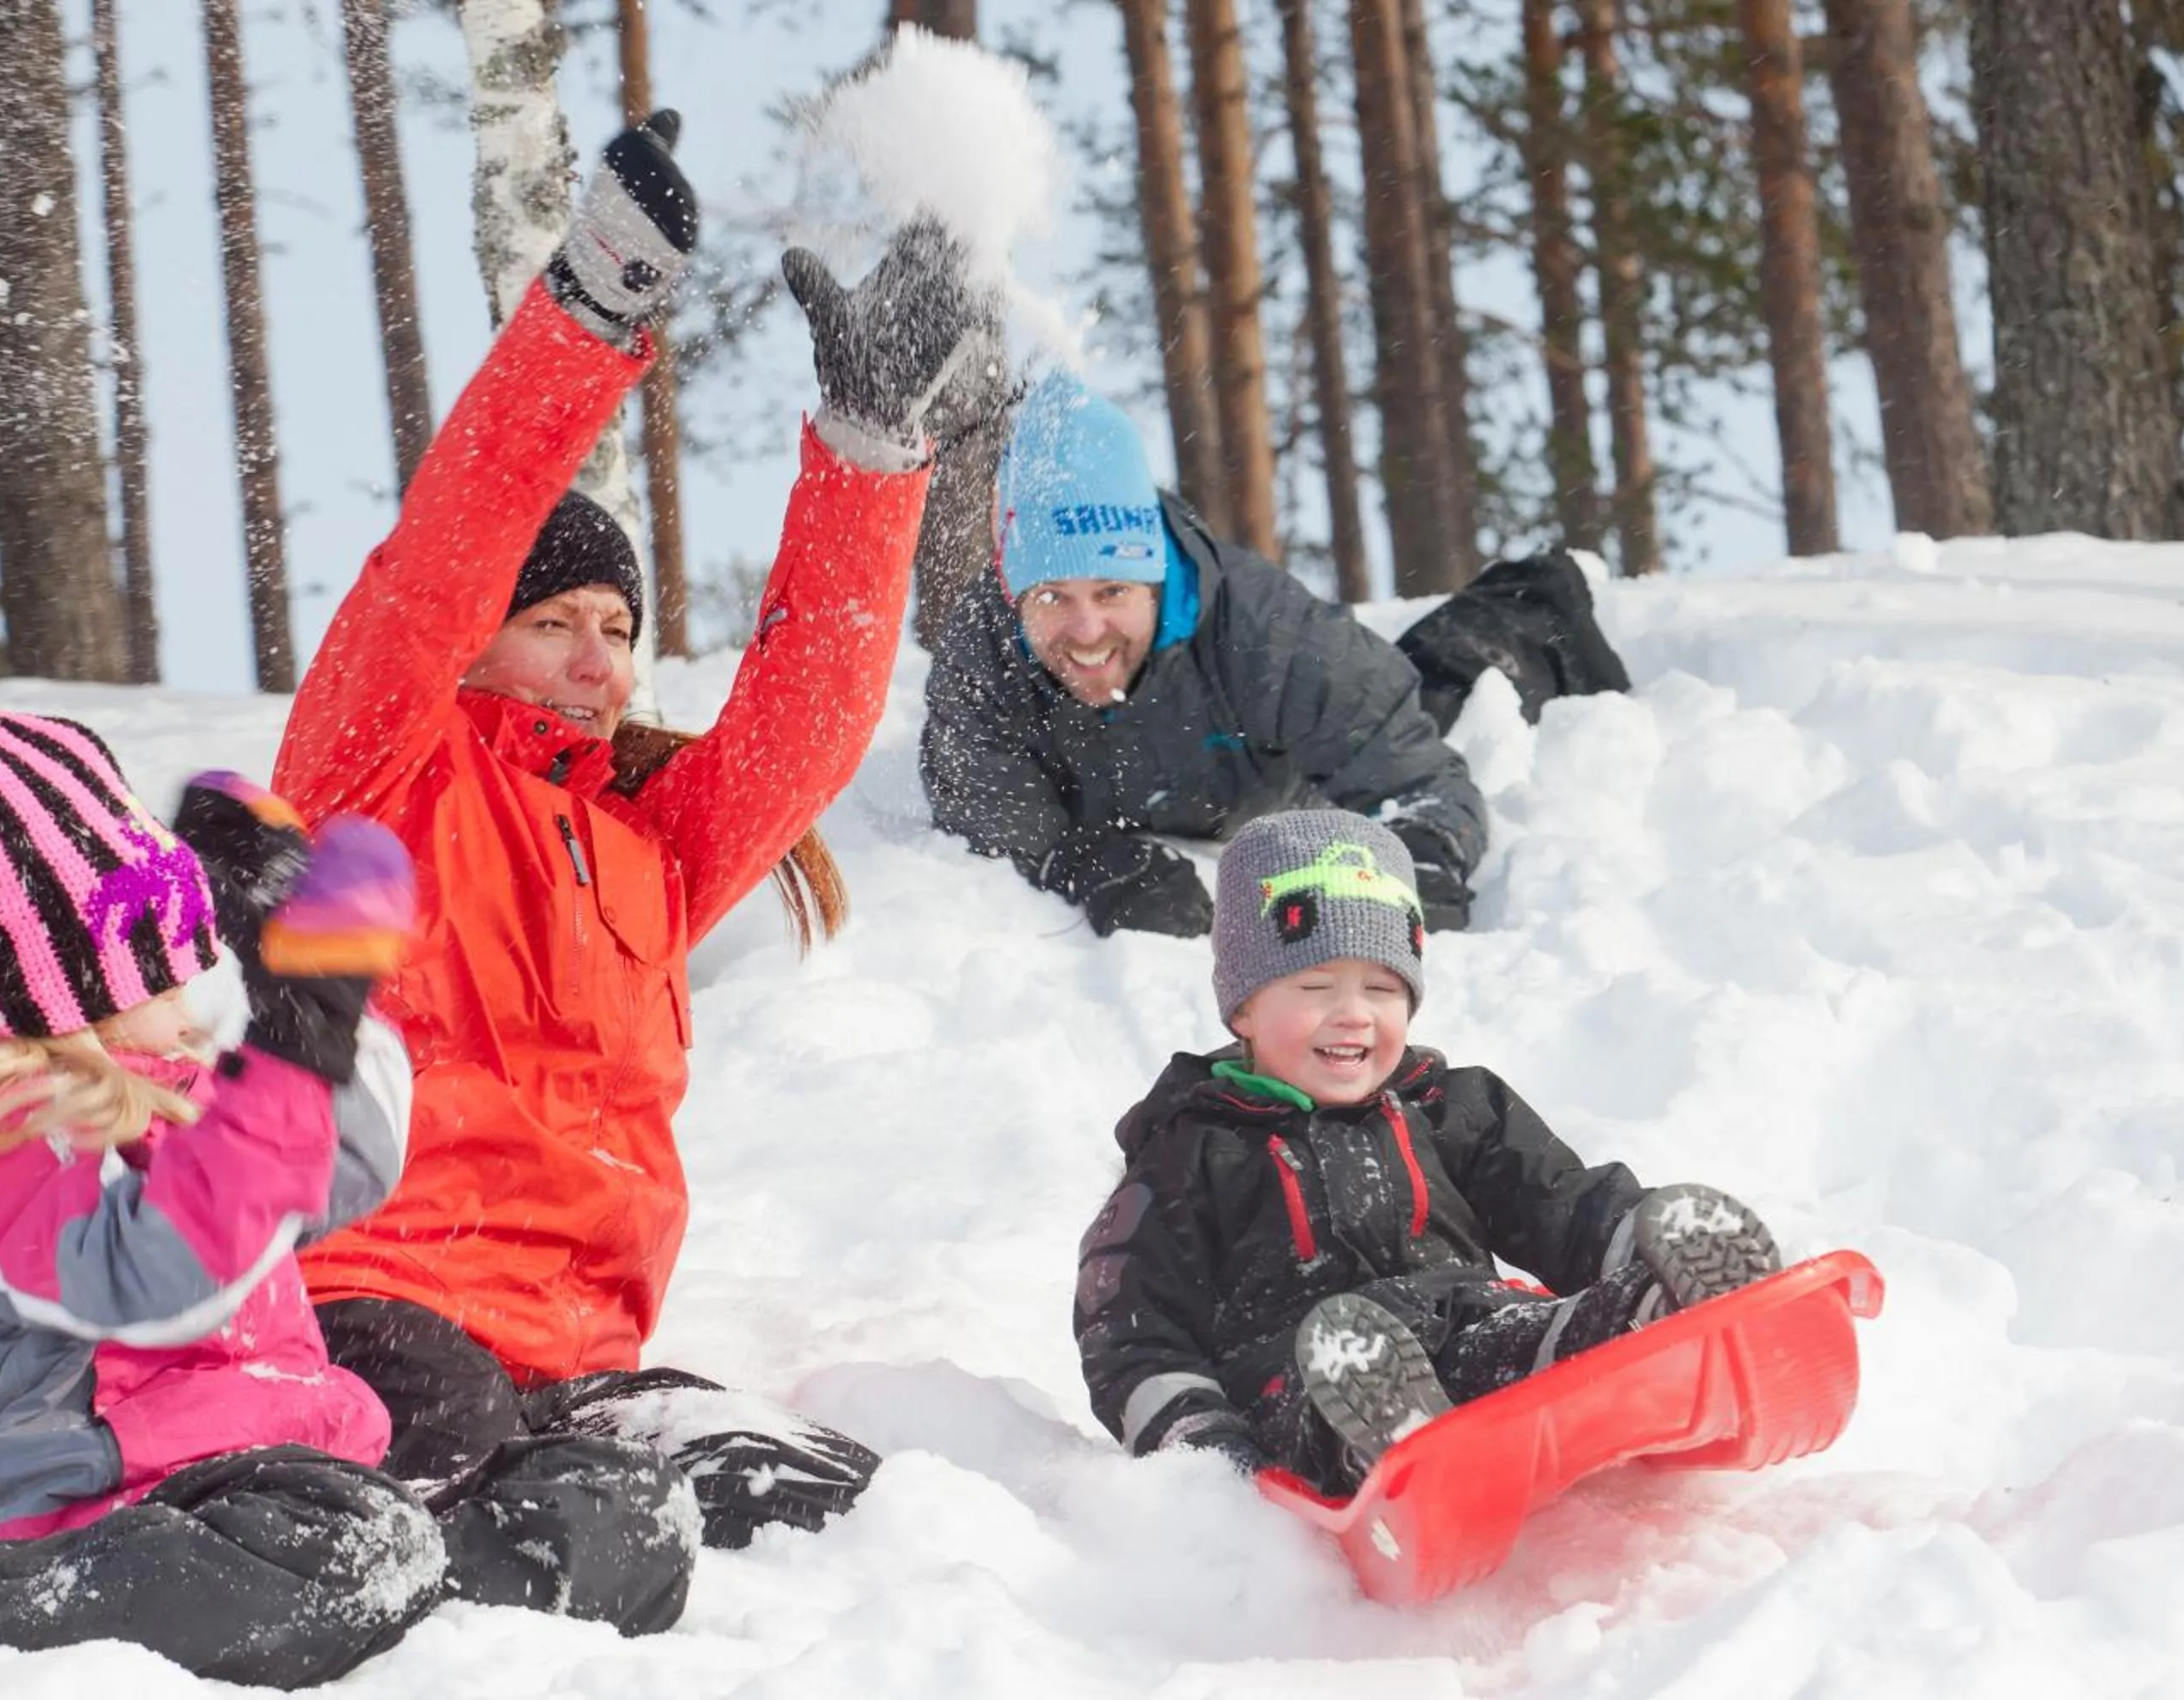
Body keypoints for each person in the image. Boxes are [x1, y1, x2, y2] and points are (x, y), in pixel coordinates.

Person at [270, 113, 986, 1550]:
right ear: (478, 641)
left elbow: (805, 725)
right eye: (555, 625)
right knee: (498, 1539)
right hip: (385, 1312)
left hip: (584, 1359)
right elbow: (440, 555)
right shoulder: (381, 780)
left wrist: (870, 453)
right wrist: (584, 316)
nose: (603, 663)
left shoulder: (646, 852)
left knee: (834, 1515)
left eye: (619, 629)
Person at [0, 720, 442, 1684]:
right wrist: (289, 1056)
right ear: (48, 981)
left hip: (269, 1473)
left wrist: (310, 1004)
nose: (187, 983)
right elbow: (151, 1275)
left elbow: (353, 1158)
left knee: (569, 1501)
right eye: (155, 959)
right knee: (368, 1549)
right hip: (114, 1501)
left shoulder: (178, 1081)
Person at [1072, 809, 1783, 1492]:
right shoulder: (1188, 1152)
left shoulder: (1447, 1108)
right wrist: (1201, 1447)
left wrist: (1638, 1240)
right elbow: (1133, 1331)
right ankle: (1380, 1448)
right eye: (1315, 986)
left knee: (1525, 1333)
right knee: (1329, 1383)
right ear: (1244, 1009)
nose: (1353, 1013)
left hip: (1466, 1327)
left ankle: (1658, 1317)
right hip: (1298, 1378)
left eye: (1382, 990)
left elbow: (1562, 1201)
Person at [921, 374, 1490, 941]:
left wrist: (1417, 869)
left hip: (1275, 792)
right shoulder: (983, 652)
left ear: (1155, 580)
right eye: (1052, 597)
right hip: (1140, 803)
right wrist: (1083, 862)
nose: (1087, 630)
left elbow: (1418, 782)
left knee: (1458, 669)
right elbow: (984, 807)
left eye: (1112, 591)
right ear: (1013, 593)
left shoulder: (1264, 627)